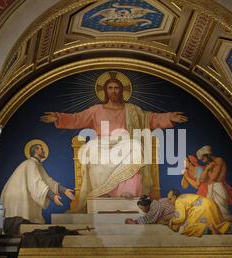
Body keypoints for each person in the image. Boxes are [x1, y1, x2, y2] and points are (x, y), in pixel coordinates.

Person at [40, 72, 188, 211]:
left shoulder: (132, 110)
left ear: (122, 90)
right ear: (105, 91)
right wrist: (58, 118)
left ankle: (128, 193)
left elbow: (150, 119)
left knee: (135, 149)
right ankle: (103, 193)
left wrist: (169, 118)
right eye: (110, 88)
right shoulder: (96, 110)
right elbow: (77, 119)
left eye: (116, 88)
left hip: (126, 145)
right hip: (103, 146)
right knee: (94, 156)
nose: (113, 91)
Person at [0, 142, 75, 224]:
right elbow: (37, 183)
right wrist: (52, 196)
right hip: (18, 199)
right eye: (41, 149)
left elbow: (48, 181)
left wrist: (64, 190)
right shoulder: (30, 163)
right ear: (36, 151)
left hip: (22, 197)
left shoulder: (37, 165)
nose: (44, 151)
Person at [168, 193, 232, 237]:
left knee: (188, 228)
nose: (169, 202)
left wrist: (171, 221)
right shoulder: (184, 196)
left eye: (170, 199)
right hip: (211, 203)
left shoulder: (178, 201)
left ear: (174, 196)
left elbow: (181, 218)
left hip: (200, 207)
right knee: (218, 224)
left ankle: (209, 227)